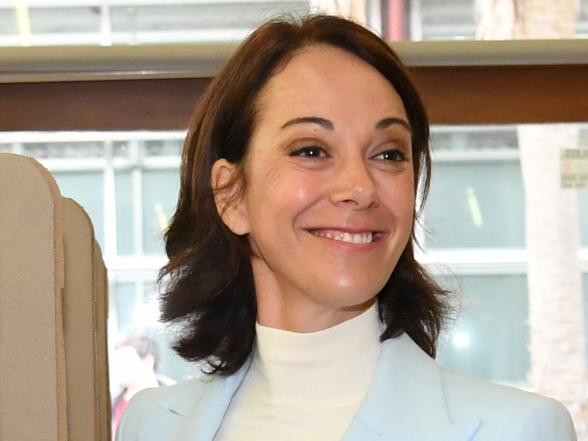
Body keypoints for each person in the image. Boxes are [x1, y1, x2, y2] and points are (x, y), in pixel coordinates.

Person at [116, 14, 576, 441]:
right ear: (231, 195)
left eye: (389, 153)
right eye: (311, 150)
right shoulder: (152, 424)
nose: (360, 187)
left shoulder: (518, 430)